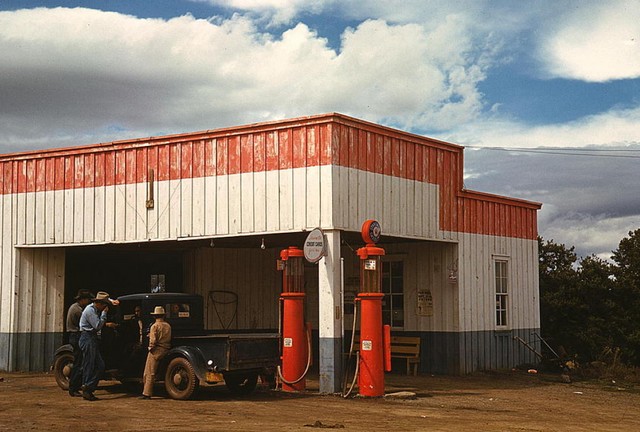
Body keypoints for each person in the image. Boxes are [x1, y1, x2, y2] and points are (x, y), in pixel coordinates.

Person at [79, 291, 118, 401]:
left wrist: (112, 301)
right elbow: (97, 326)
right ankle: (87, 387)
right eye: (104, 305)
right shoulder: (90, 311)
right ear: (99, 304)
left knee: (98, 365)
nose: (105, 307)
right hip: (88, 337)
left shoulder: (94, 307)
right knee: (90, 365)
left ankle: (88, 387)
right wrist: (104, 314)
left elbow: (106, 300)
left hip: (91, 338)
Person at [65, 289, 93, 397]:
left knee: (78, 361)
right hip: (76, 335)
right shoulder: (78, 310)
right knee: (78, 363)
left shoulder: (74, 307)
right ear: (83, 299)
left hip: (74, 335)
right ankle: (74, 387)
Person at [140, 306, 172, 399]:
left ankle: (147, 393)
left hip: (156, 350)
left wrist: (150, 348)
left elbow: (153, 340)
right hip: (166, 349)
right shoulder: (168, 325)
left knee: (149, 372)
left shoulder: (154, 326)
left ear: (155, 316)